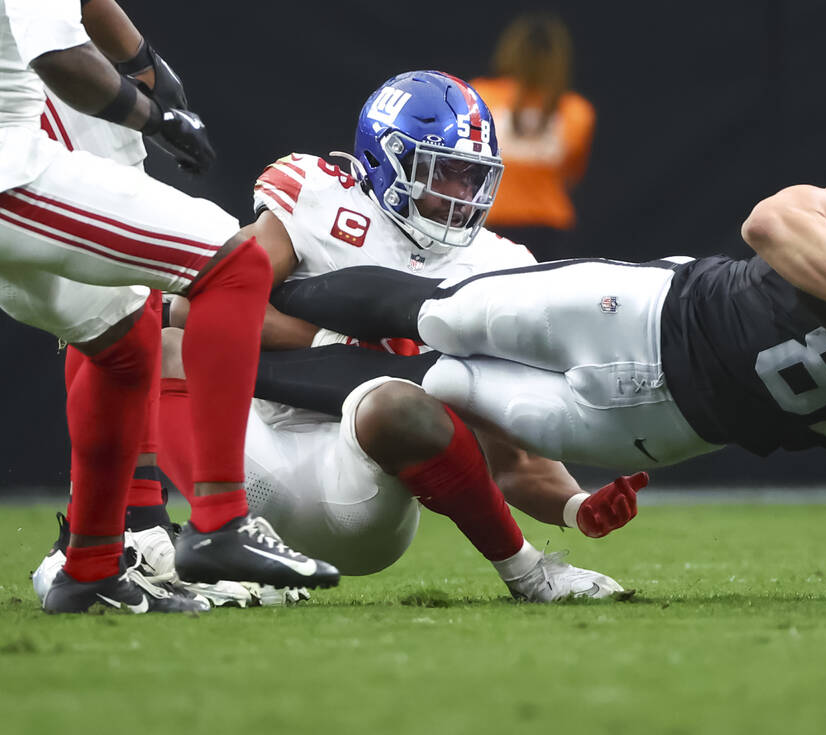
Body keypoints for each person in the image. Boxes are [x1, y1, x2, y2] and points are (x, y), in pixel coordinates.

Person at [269, 115, 826, 533]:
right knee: (443, 311)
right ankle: (232, 302)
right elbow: (771, 222)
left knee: (439, 383)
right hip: (648, 315)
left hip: (667, 427)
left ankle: (223, 364)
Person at [121, 71, 639, 602]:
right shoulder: (323, 199)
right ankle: (160, 539)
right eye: (446, 172)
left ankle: (530, 573)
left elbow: (515, 459)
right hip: (254, 451)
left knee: (395, 401)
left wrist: (578, 506)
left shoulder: (497, 263)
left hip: (359, 493)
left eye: (473, 177)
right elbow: (194, 304)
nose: (460, 193)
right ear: (387, 157)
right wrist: (327, 345)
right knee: (152, 340)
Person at [1, 0, 339, 614]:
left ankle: (90, 567)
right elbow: (57, 53)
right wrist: (150, 115)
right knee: (235, 264)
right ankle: (220, 521)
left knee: (124, 340)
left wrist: (141, 59)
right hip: (10, 168)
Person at [470, 13, 595, 261]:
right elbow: (571, 174)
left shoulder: (479, 98)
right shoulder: (577, 112)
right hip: (548, 231)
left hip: (492, 224)